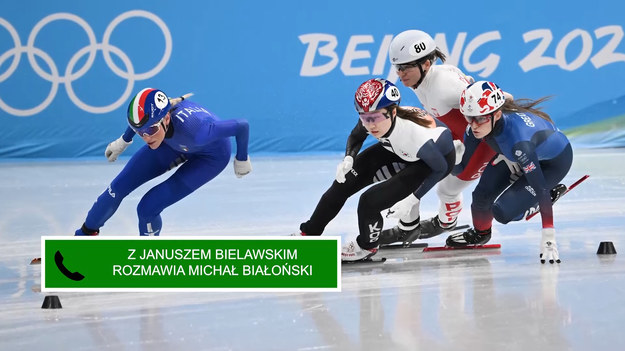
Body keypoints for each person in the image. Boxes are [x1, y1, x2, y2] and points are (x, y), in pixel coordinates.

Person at [297, 78, 457, 261]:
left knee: (369, 202)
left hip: (429, 162)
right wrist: (349, 158)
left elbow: (441, 168)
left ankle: (367, 247)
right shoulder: (374, 117)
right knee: (341, 185)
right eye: (365, 118)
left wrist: (412, 199)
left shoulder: (413, 135)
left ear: (393, 111)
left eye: (376, 117)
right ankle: (309, 235)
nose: (371, 125)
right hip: (398, 151)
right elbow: (356, 136)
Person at [379, 29, 504, 245]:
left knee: (447, 188)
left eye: (406, 67)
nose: (401, 74)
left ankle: (446, 222)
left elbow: (496, 101)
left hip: (482, 144)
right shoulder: (422, 81)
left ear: (426, 64)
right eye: (398, 67)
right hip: (462, 137)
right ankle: (426, 224)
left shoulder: (443, 85)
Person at [74, 88, 251, 236]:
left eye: (151, 130)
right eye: (140, 133)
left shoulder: (199, 131)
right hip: (172, 143)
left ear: (167, 118)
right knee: (116, 188)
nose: (146, 137)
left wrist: (241, 158)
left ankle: (149, 259)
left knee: (147, 208)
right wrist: (124, 140)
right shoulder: (155, 122)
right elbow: (141, 122)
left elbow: (241, 125)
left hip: (210, 157)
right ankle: (81, 238)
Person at [447, 81, 572, 264]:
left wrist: (549, 237)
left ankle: (545, 197)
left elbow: (540, 189)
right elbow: (461, 167)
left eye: (480, 118)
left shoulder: (519, 144)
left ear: (496, 114)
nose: (474, 125)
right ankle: (480, 234)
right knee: (481, 196)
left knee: (503, 213)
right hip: (514, 152)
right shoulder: (477, 126)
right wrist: (446, 160)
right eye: (468, 117)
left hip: (553, 162)